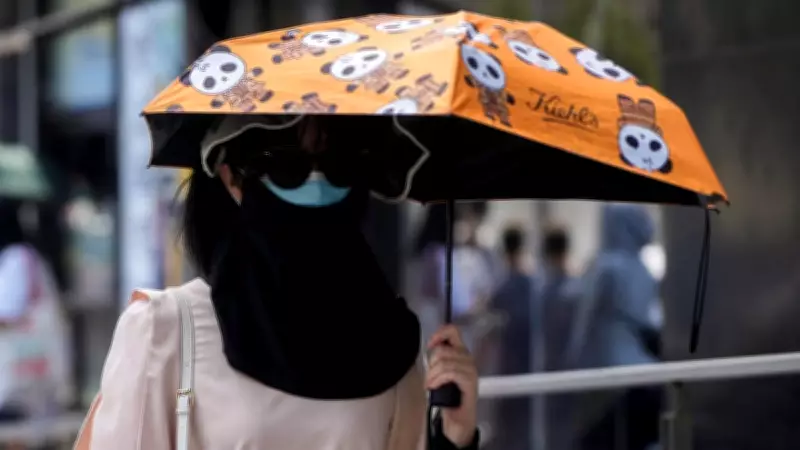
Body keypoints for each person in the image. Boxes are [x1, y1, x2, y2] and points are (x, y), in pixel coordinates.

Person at [75, 116, 481, 450]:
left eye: (337, 161)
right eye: (286, 164)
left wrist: (455, 436)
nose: (316, 183)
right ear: (231, 176)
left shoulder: (391, 343)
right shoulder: (164, 332)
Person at [567, 204, 662, 450]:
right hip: (630, 376)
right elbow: (648, 321)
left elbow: (584, 320)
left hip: (602, 376)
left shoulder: (600, 266)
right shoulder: (632, 269)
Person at [0, 200, 73, 424]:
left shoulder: (15, 258)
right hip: (35, 382)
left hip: (16, 386)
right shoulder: (33, 256)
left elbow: (7, 313)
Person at [486, 224, 535, 450]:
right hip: (530, 358)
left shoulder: (504, 286)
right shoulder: (531, 282)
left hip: (511, 359)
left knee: (510, 419)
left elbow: (488, 312)